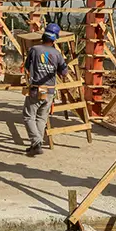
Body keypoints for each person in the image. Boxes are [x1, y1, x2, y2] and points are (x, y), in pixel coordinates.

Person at [22, 22, 69, 156]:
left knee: (28, 116)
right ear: (55, 39)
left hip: (36, 89)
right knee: (41, 118)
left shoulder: (34, 50)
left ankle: (36, 142)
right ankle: (36, 144)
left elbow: (27, 67)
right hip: (50, 91)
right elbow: (64, 73)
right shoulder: (57, 54)